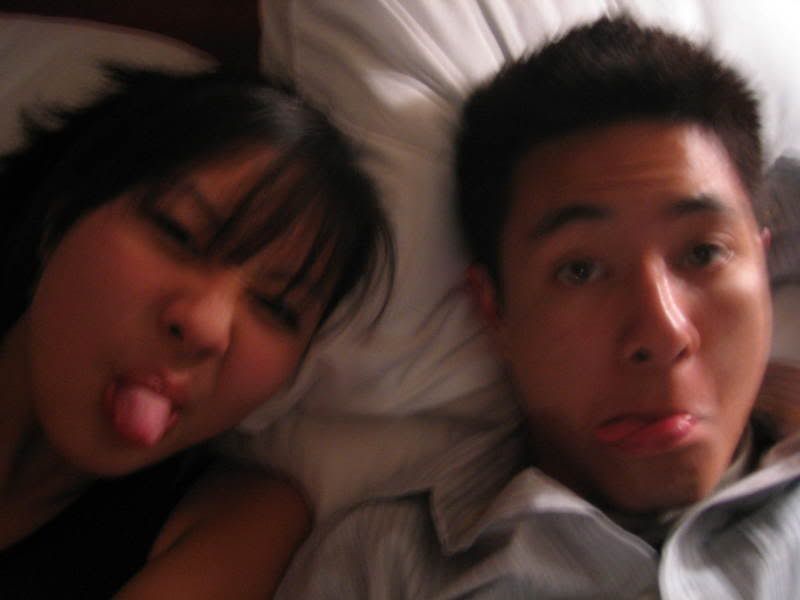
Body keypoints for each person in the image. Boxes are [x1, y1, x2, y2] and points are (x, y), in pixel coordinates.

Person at [275, 16, 800, 599]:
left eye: (703, 253)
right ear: (494, 309)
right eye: (581, 271)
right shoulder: (381, 568)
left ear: (762, 264)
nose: (659, 332)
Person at [0, 66, 393, 598]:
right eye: (179, 233)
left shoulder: (236, 524)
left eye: (276, 307)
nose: (208, 328)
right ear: (61, 214)